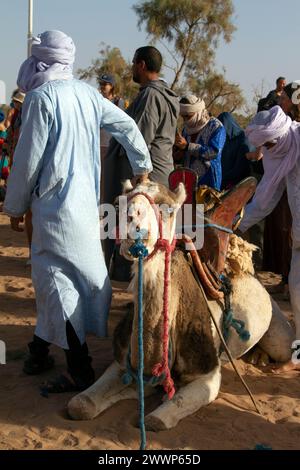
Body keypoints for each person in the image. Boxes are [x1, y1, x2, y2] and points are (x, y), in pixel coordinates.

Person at [3, 30, 152, 393]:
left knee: (57, 285)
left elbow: (27, 161)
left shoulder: (41, 98)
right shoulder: (89, 94)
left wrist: (15, 206)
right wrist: (142, 165)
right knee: (70, 282)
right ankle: (39, 351)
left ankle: (79, 370)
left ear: (41, 62)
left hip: (54, 210)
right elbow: (127, 125)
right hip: (87, 207)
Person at [103, 45, 179, 274]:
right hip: (162, 171)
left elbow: (140, 140)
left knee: (140, 235)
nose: (132, 69)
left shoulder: (151, 95)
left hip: (146, 177)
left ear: (142, 65)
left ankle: (135, 290)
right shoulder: (168, 95)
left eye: (134, 63)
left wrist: (138, 180)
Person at [238, 105, 300, 372]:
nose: (269, 150)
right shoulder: (280, 154)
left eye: (270, 144)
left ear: (280, 135)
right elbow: (264, 201)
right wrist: (235, 225)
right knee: (297, 295)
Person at [174, 95, 226, 190]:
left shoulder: (216, 127)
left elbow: (213, 152)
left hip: (208, 182)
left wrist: (187, 146)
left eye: (188, 116)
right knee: (188, 205)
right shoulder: (186, 129)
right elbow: (184, 151)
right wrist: (179, 153)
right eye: (183, 117)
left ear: (198, 112)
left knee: (202, 205)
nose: (185, 120)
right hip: (188, 181)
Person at [217, 112, 252, 189]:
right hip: (220, 180)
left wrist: (221, 179)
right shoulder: (223, 139)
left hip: (235, 185)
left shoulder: (243, 141)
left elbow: (239, 169)